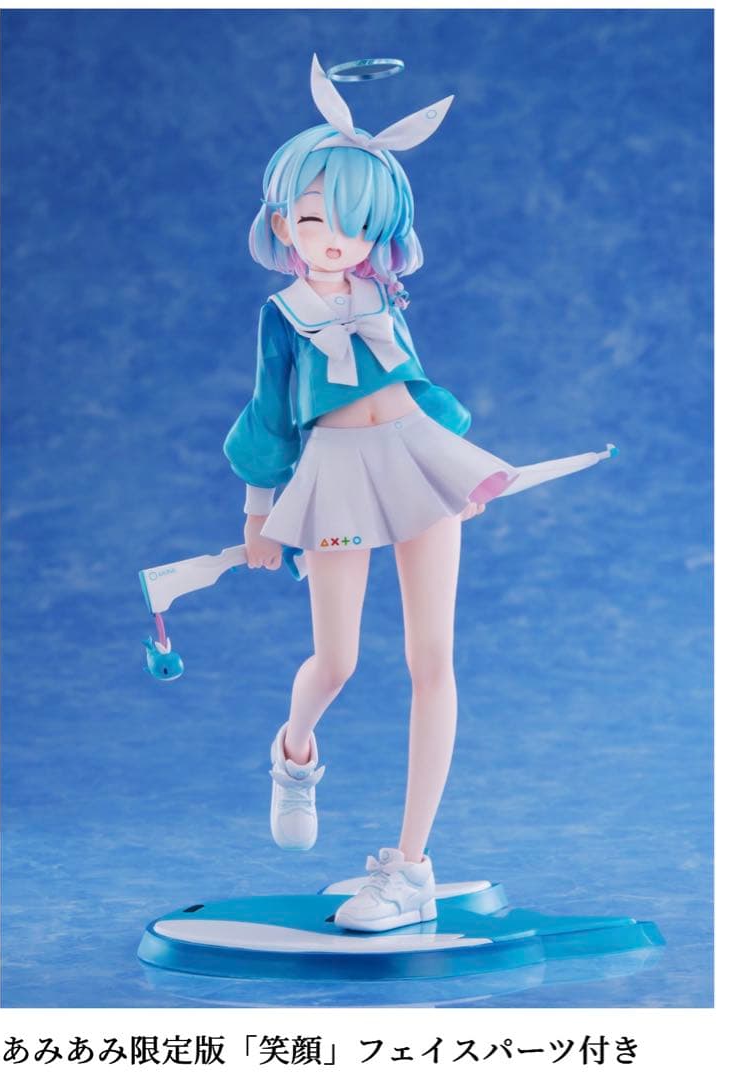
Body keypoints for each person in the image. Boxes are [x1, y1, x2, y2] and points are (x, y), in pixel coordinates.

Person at [223, 56, 615, 933]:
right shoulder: (283, 316)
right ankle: (294, 752)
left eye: (358, 225)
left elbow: (418, 388)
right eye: (317, 219)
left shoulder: (382, 297)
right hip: (333, 477)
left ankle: (409, 866)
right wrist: (257, 514)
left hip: (417, 460)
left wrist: (459, 467)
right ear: (282, 222)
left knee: (431, 659)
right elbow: (267, 418)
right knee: (336, 662)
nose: (337, 240)